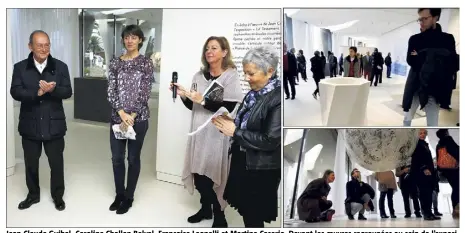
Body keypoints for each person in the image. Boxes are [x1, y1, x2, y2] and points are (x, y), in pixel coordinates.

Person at [172, 36, 243, 227]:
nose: (209, 51)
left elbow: (229, 107)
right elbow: (193, 106)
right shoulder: (198, 76)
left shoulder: (230, 76)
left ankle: (219, 215)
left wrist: (202, 99)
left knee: (211, 176)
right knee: (198, 174)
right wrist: (183, 95)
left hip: (217, 135)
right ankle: (205, 209)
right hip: (199, 133)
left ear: (224, 52)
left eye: (214, 48)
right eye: (207, 48)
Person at [212, 46, 281, 228]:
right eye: (245, 73)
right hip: (244, 161)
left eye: (251, 73)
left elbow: (271, 140)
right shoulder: (255, 93)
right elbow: (249, 123)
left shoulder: (278, 99)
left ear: (270, 71)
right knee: (247, 211)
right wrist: (229, 123)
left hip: (261, 169)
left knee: (254, 215)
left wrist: (235, 131)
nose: (246, 78)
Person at [10, 30, 72, 211]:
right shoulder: (20, 67)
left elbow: (68, 91)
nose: (44, 48)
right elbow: (15, 91)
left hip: (54, 124)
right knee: (31, 162)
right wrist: (36, 94)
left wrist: (52, 90)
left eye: (47, 45)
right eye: (39, 45)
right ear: (30, 46)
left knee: (56, 163)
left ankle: (58, 196)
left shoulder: (60, 67)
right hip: (30, 124)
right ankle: (33, 195)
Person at [107, 25, 154, 214]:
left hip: (139, 119)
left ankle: (129, 196)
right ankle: (119, 194)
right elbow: (111, 91)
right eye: (127, 37)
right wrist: (121, 114)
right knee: (117, 158)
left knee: (133, 158)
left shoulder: (145, 63)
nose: (130, 40)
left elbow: (145, 92)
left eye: (134, 37)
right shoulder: (115, 63)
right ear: (123, 40)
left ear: (140, 41)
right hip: (117, 119)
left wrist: (132, 116)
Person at [402, 8, 458, 126]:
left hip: (435, 88)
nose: (421, 22)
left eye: (425, 18)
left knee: (433, 123)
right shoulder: (415, 39)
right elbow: (411, 60)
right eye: (419, 19)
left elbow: (452, 63)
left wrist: (422, 54)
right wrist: (436, 56)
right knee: (407, 117)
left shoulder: (447, 39)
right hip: (416, 85)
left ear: (435, 18)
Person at [410, 129, 440, 220]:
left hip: (428, 173)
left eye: (424, 133)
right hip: (421, 172)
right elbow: (416, 159)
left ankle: (430, 213)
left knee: (429, 193)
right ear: (417, 134)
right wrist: (424, 168)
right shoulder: (416, 144)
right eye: (420, 133)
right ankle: (426, 214)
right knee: (424, 193)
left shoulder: (424, 144)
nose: (423, 135)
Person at [436, 129, 459, 218]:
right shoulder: (448, 140)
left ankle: (455, 209)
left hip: (445, 170)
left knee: (455, 187)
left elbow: (439, 159)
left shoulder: (439, 144)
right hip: (454, 169)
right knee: (458, 188)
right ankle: (457, 208)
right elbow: (456, 151)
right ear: (446, 133)